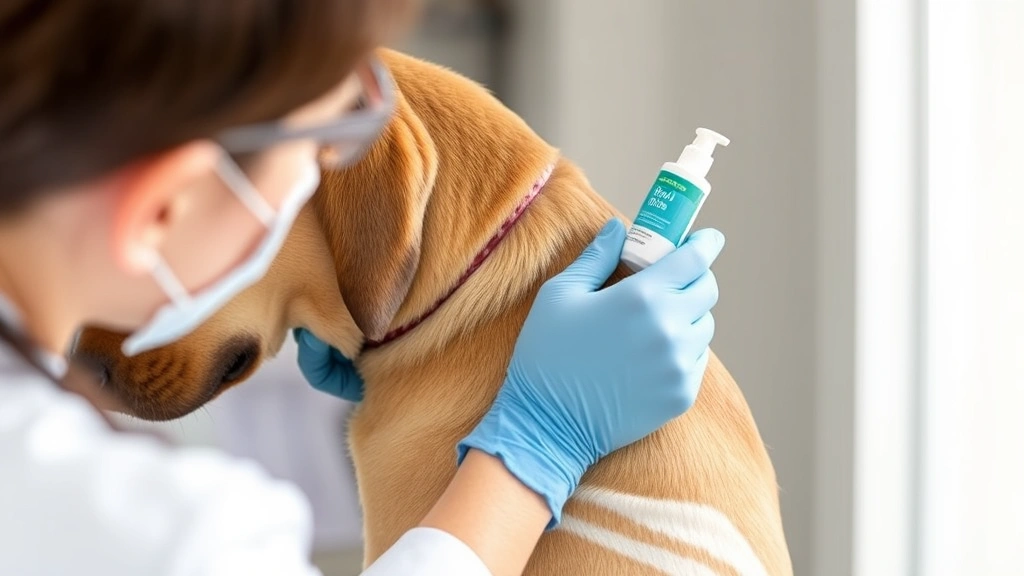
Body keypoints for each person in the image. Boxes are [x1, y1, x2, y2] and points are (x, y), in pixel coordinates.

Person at [0, 1, 724, 575]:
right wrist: (537, 447)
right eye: (319, 147)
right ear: (164, 203)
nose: (329, 167)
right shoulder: (162, 536)